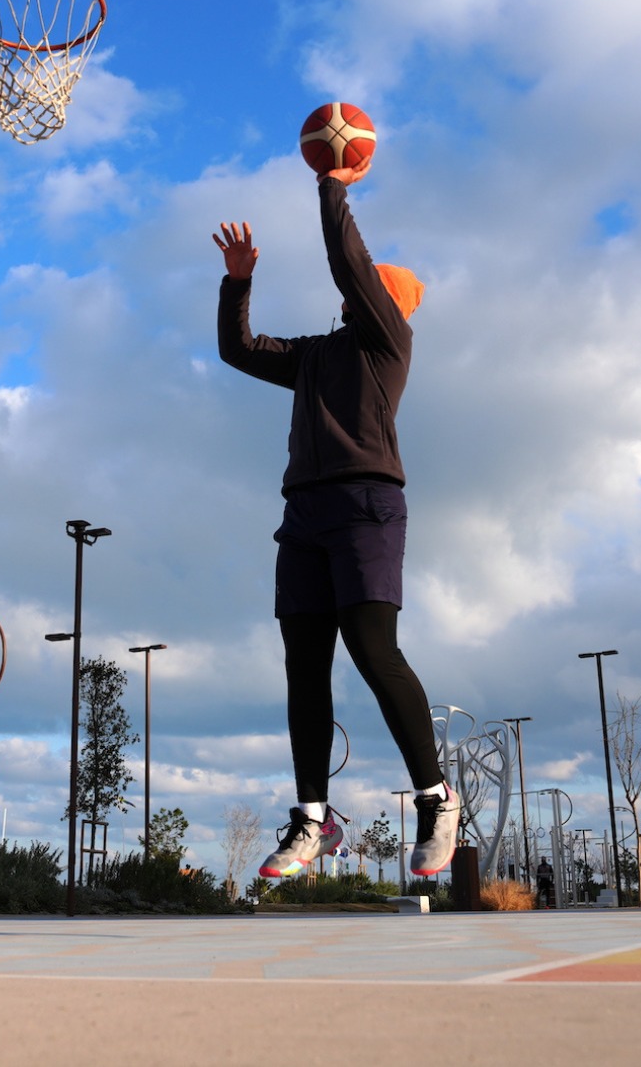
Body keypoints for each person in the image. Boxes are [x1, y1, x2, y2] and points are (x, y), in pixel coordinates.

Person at [214, 156, 459, 881]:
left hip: (366, 506)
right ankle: (314, 820)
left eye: (368, 286)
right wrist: (238, 282)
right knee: (305, 667)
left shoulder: (388, 343)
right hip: (304, 514)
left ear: (383, 302)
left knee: (373, 649)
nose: (355, 290)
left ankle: (437, 799)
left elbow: (348, 262)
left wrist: (332, 183)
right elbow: (237, 350)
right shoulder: (316, 356)